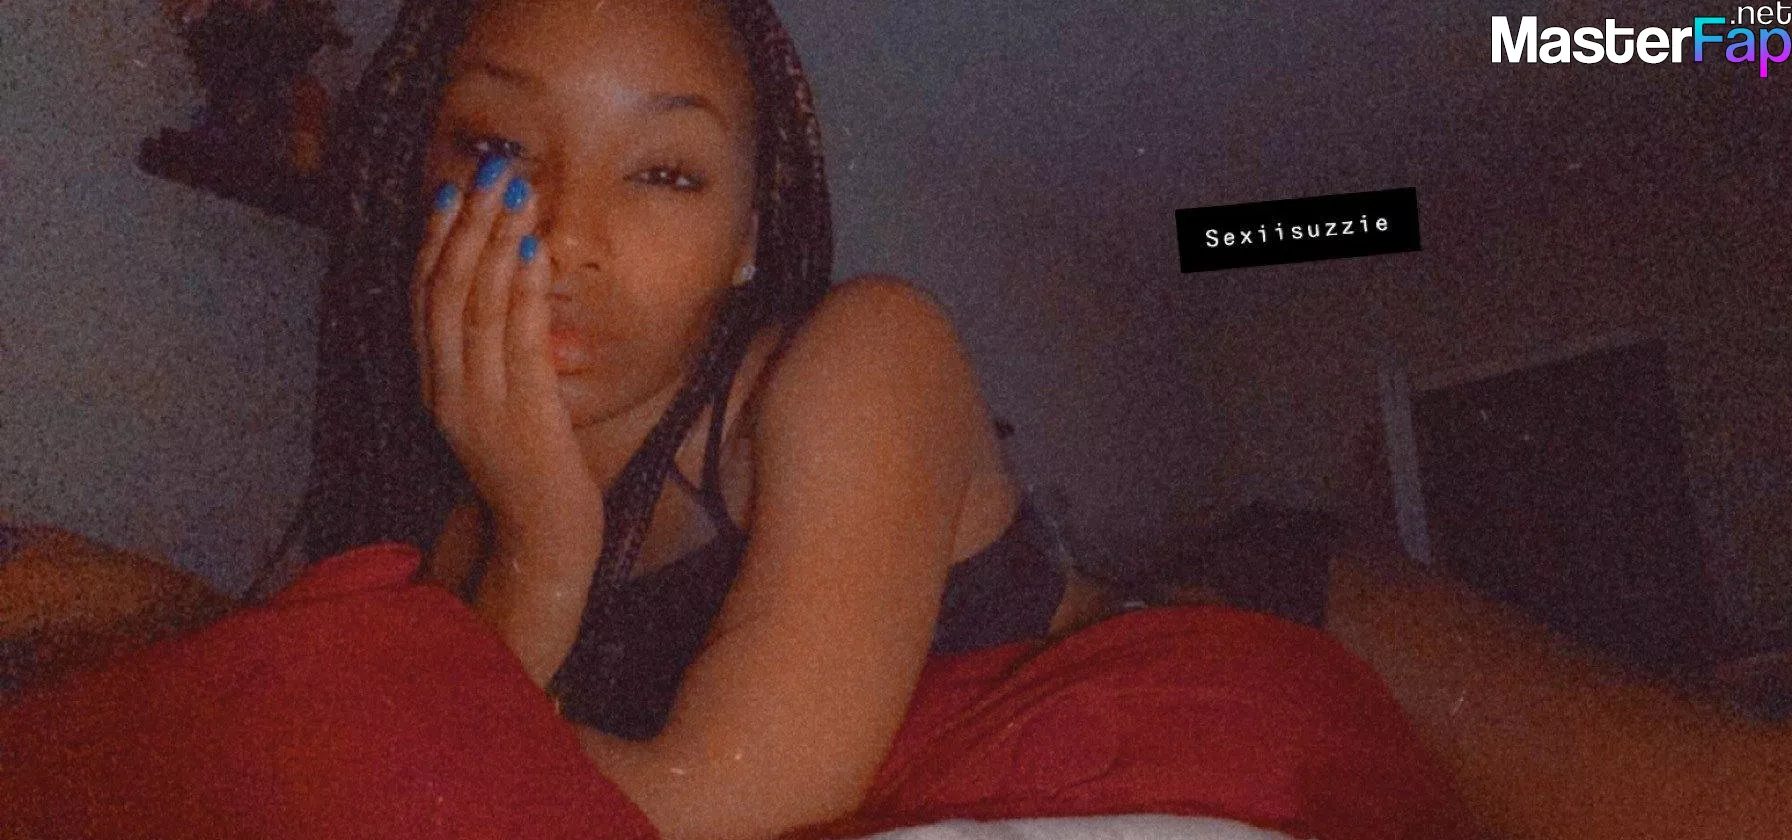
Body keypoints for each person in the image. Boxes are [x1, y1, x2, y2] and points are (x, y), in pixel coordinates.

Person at [281, 0, 1127, 836]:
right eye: (499, 147)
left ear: (745, 240)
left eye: (664, 175)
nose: (567, 234)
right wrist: (534, 548)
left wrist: (542, 552)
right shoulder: (454, 523)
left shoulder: (870, 353)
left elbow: (730, 808)